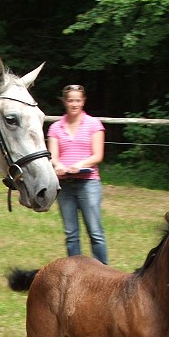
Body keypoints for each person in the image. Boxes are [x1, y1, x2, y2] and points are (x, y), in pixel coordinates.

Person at [47, 84, 108, 264]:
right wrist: (58, 166)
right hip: (65, 185)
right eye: (71, 100)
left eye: (78, 100)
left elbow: (98, 155)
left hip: (88, 183)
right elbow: (53, 156)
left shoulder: (93, 124)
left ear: (83, 101)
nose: (74, 104)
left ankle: (103, 270)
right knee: (71, 233)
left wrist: (79, 165)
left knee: (95, 231)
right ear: (65, 102)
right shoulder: (55, 128)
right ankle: (77, 270)